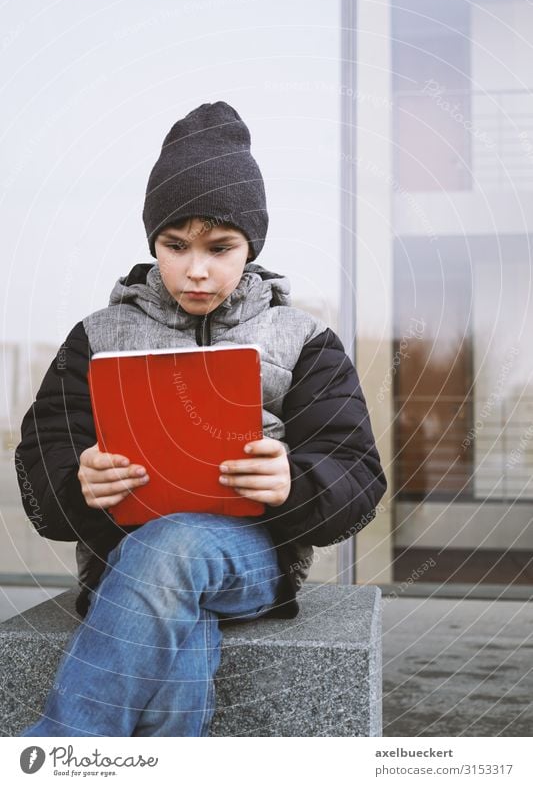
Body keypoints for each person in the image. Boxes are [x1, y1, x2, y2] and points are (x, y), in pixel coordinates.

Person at [15, 101, 386, 737]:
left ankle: (61, 754)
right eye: (174, 245)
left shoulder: (303, 338)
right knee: (176, 620)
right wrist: (77, 481)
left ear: (252, 246)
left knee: (179, 544)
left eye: (221, 247)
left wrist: (294, 483)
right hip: (122, 560)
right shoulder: (97, 336)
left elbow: (359, 475)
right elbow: (43, 458)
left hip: (253, 558)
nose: (196, 269)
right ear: (152, 243)